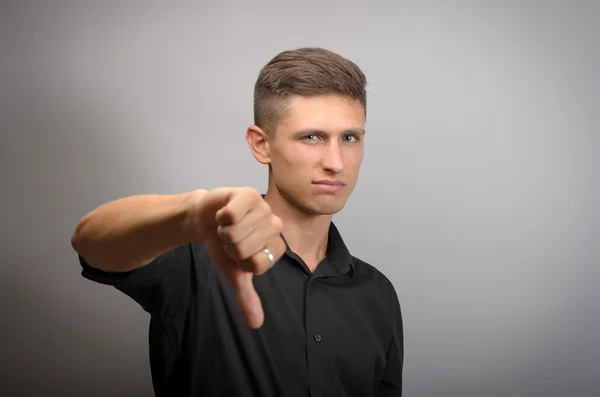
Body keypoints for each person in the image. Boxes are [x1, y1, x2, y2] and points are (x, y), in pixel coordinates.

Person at [71, 47, 403, 397]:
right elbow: (90, 242)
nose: (335, 162)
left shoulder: (378, 295)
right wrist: (191, 213)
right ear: (261, 144)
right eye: (312, 137)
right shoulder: (198, 257)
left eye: (349, 138)